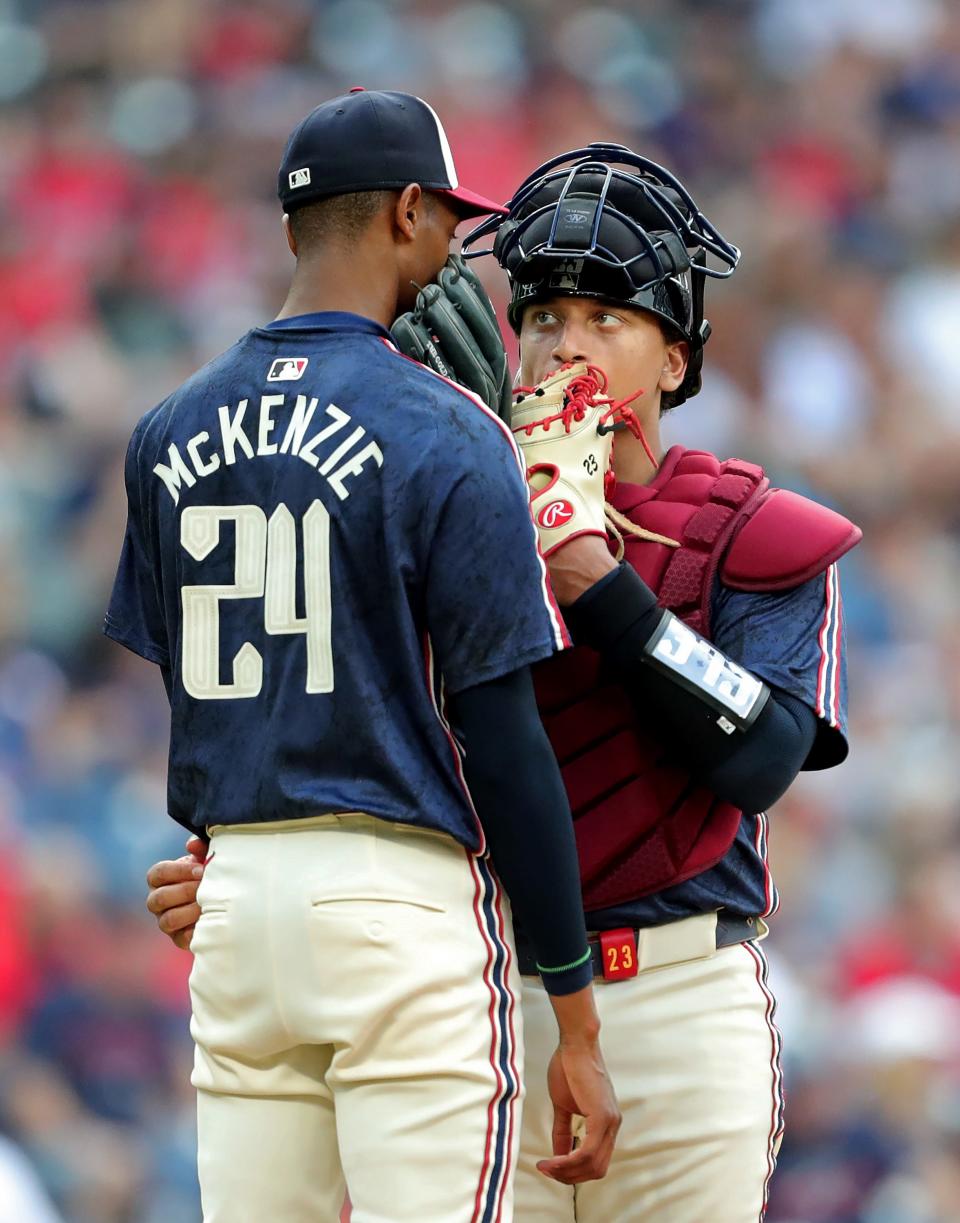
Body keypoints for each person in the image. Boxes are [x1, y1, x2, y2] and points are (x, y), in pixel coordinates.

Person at [146, 143, 861, 1221]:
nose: (565, 347)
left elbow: (762, 761)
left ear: (675, 360)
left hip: (681, 991)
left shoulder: (748, 529)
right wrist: (257, 861)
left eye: (607, 320)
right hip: (469, 988)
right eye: (542, 317)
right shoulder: (431, 489)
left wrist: (597, 581)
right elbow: (334, 715)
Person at [108, 91, 619, 1223]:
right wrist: (575, 1008)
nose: (450, 246)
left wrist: (234, 855)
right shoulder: (444, 427)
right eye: (444, 217)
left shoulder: (166, 430)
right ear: (403, 211)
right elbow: (504, 735)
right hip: (398, 903)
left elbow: (206, 698)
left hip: (233, 906)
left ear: (293, 228)